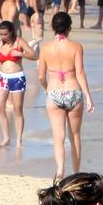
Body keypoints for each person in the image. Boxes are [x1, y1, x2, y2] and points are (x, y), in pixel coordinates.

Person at [39, 12, 95, 181]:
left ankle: (60, 168)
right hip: (73, 91)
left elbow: (41, 76)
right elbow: (80, 73)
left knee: (58, 135)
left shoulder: (45, 48)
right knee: (75, 135)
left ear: (52, 27)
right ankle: (77, 172)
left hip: (54, 91)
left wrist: (48, 89)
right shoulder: (76, 47)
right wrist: (88, 96)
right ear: (69, 28)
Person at [0, 20, 38, 148]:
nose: (3, 37)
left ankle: (19, 140)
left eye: (5, 34)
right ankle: (6, 137)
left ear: (11, 32)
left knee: (17, 110)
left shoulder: (19, 42)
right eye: (0, 34)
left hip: (17, 77)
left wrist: (20, 53)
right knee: (0, 108)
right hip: (2, 78)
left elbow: (35, 56)